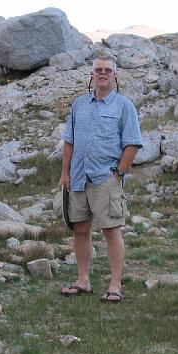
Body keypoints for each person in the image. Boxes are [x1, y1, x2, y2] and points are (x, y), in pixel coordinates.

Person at [58, 54, 143, 302]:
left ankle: (115, 285)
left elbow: (132, 144)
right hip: (77, 178)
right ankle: (83, 280)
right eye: (98, 70)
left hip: (106, 179)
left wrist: (118, 174)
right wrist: (65, 173)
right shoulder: (79, 105)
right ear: (92, 75)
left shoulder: (124, 106)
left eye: (107, 70)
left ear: (115, 75)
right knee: (80, 230)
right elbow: (69, 141)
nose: (102, 73)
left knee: (111, 231)